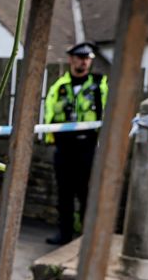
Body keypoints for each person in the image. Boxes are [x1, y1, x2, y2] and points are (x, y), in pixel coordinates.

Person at [43, 41, 109, 245]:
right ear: (71, 59)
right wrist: (50, 138)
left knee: (86, 191)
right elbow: (50, 112)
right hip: (64, 147)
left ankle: (86, 235)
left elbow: (108, 111)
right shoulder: (59, 86)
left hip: (88, 146)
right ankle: (64, 234)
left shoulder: (100, 84)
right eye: (80, 58)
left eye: (87, 58)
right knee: (64, 193)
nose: (84, 62)